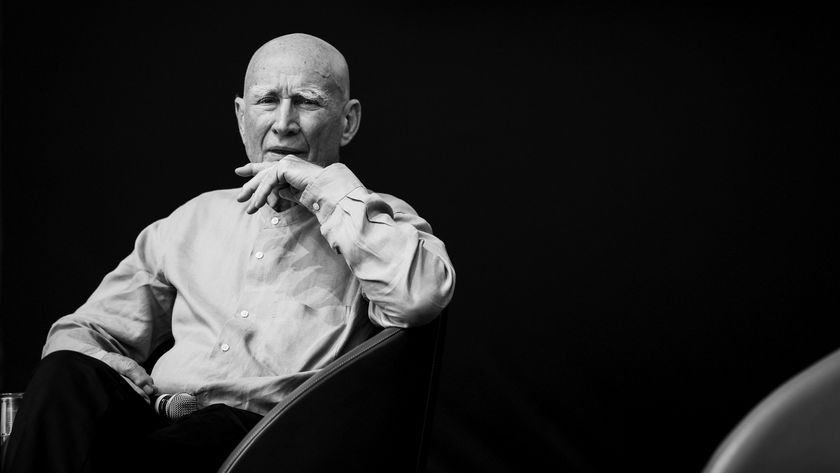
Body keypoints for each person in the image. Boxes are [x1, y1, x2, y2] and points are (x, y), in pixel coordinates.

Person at [3, 33, 455, 473]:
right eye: (266, 101)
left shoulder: (378, 220)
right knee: (67, 375)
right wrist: (120, 371)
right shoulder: (194, 218)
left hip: (266, 437)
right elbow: (78, 333)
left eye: (308, 100)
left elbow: (418, 298)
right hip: (160, 421)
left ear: (348, 120)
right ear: (241, 117)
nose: (283, 122)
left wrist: (324, 189)